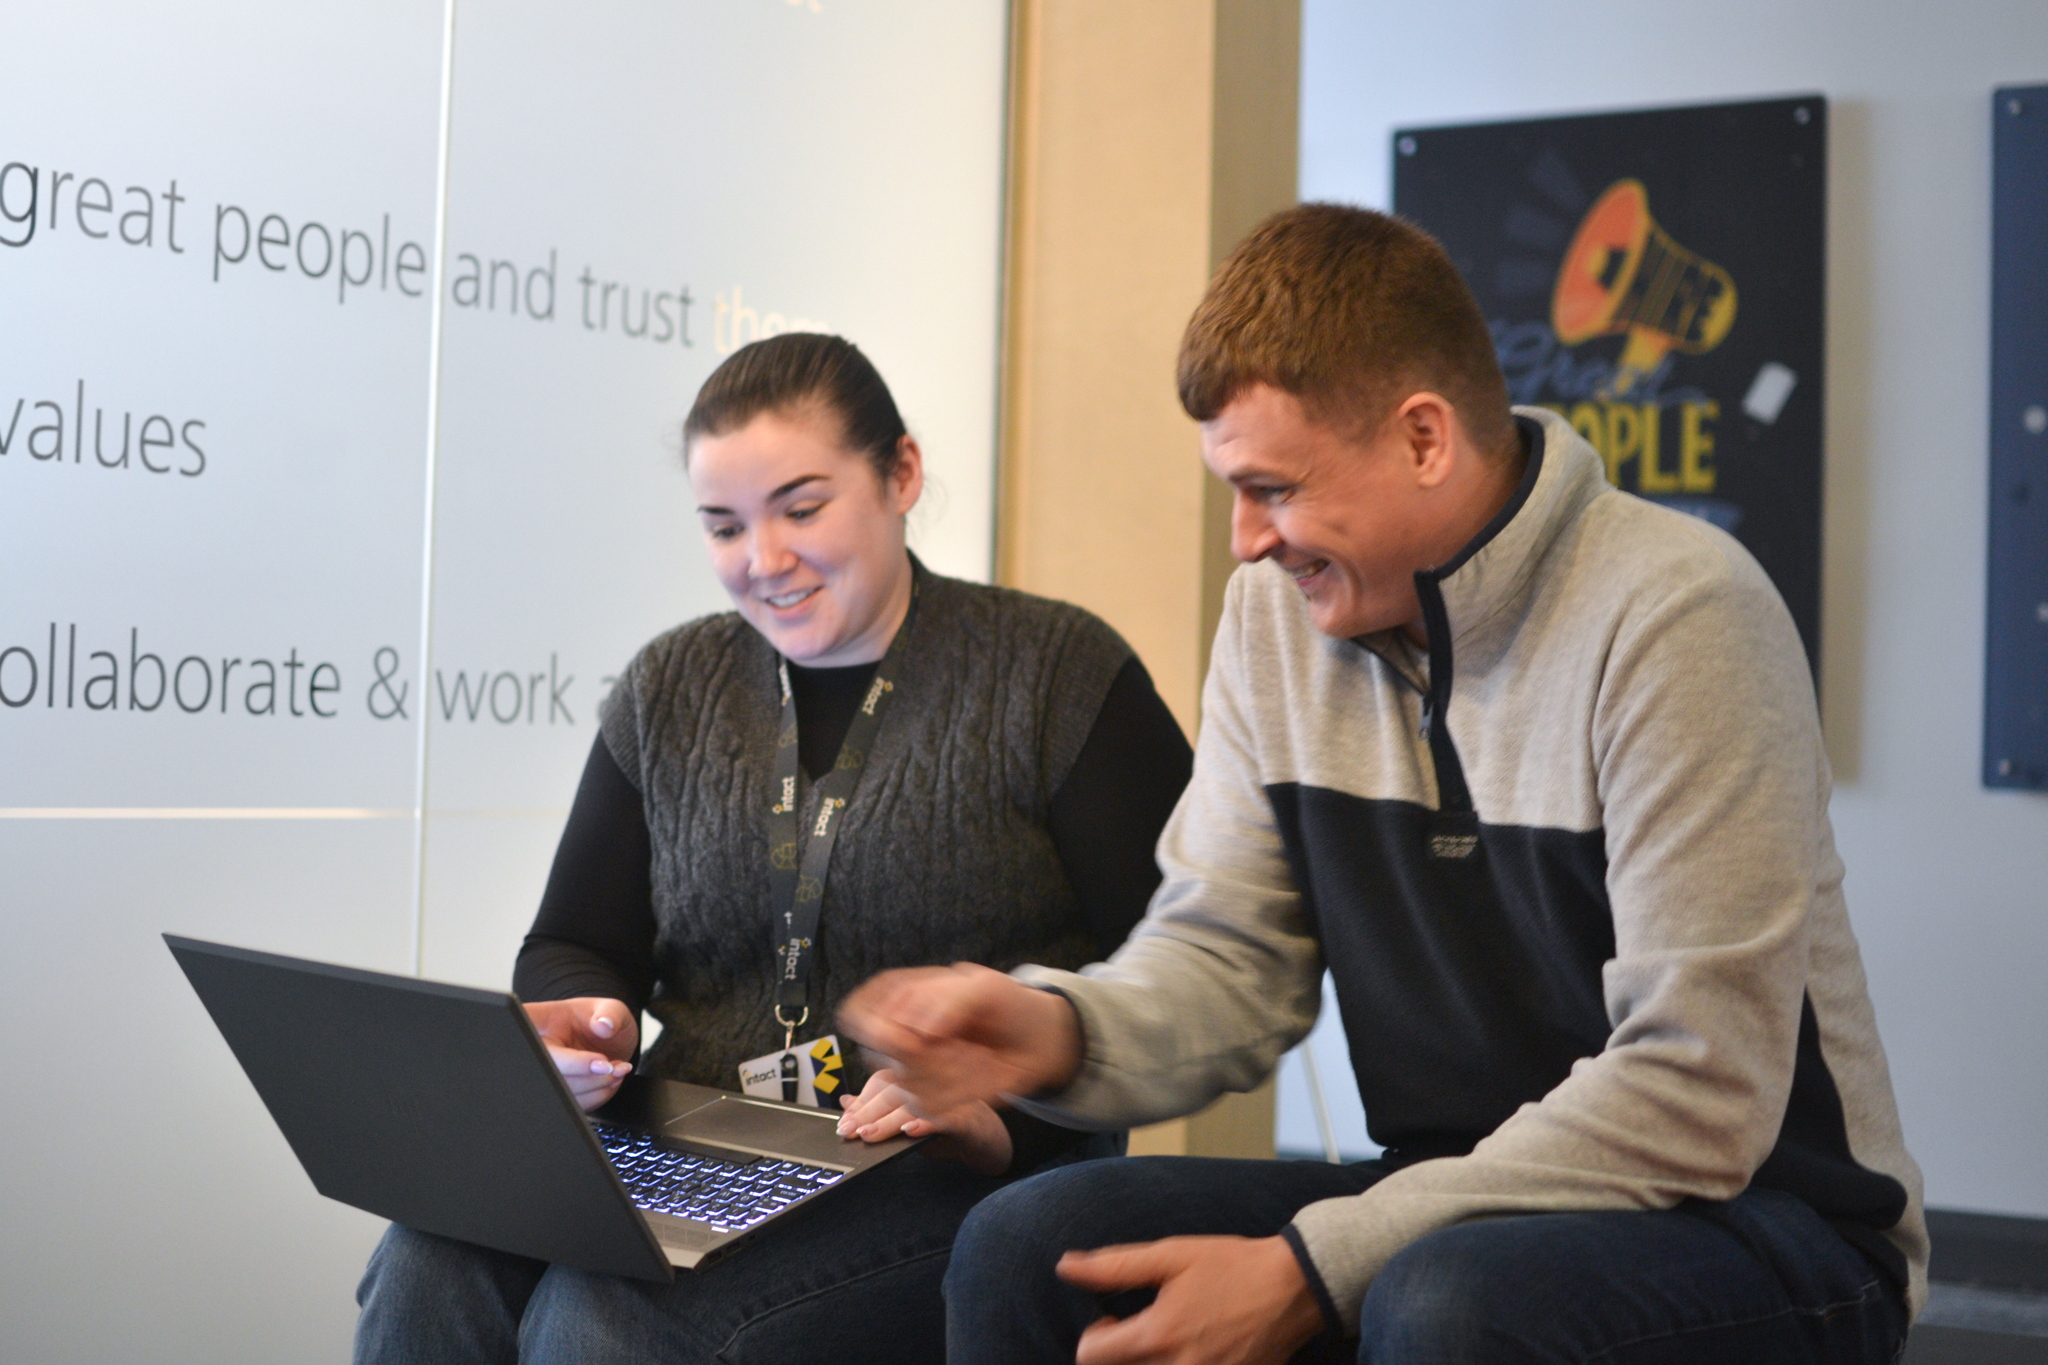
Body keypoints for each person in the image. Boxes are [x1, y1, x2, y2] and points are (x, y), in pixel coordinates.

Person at [840, 204, 1926, 1365]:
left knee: (1440, 1304)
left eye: (1272, 489)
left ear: (1421, 439)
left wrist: (1317, 1267)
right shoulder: (1274, 619)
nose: (1243, 540)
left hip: (1766, 1221)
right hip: (1448, 1198)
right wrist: (1058, 1033)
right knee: (1025, 1245)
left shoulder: (1678, 612)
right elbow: (1229, 963)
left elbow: (1694, 1094)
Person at [352, 332, 1193, 1365]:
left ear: (901, 474)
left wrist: (1006, 1108)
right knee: (426, 1263)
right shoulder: (669, 686)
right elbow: (576, 941)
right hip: (700, 1137)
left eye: (801, 508)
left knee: (602, 1323)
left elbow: (1171, 974)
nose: (763, 560)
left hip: (939, 1163)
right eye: (724, 526)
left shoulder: (1055, 673)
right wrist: (588, 1020)